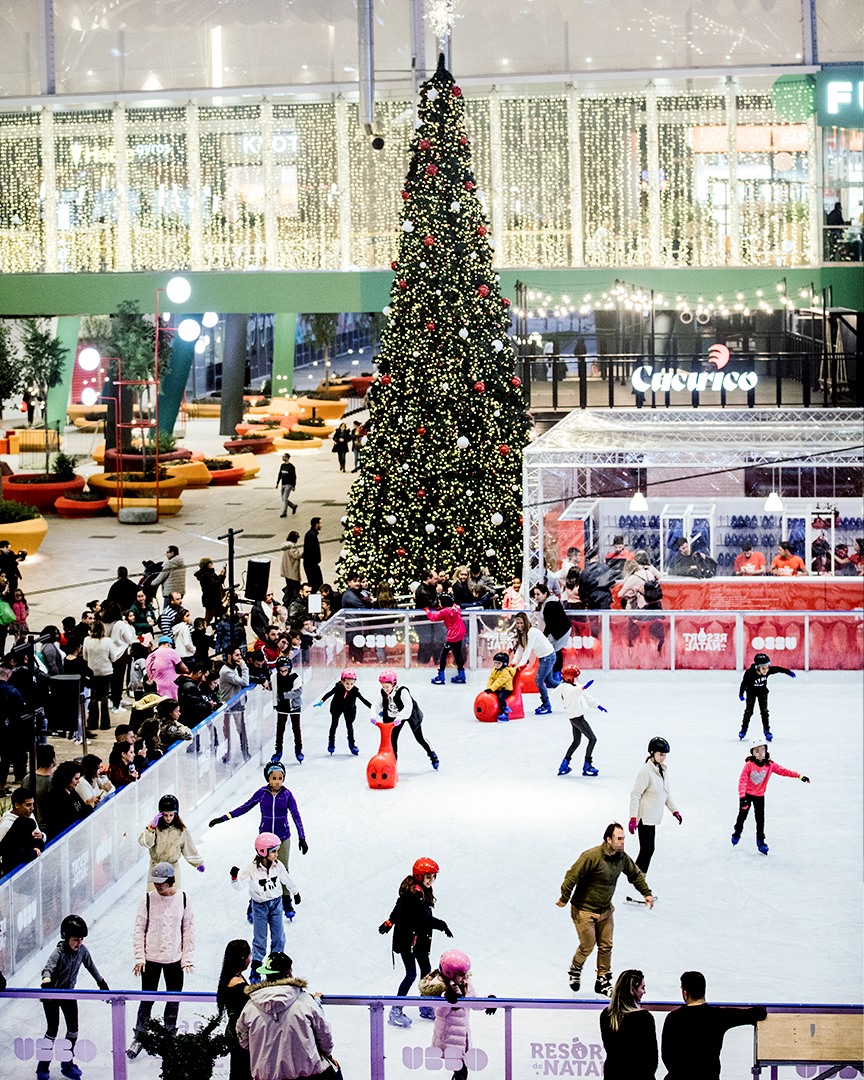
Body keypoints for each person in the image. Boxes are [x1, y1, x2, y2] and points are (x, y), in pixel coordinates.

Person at [556, 822, 654, 997]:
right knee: (587, 944)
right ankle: (575, 968)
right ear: (609, 840)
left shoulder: (622, 857)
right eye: (619, 838)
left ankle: (602, 980)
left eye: (624, 838)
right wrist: (564, 898)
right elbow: (572, 876)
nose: (623, 842)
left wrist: (646, 892)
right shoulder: (591, 856)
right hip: (584, 910)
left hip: (605, 910)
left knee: (606, 946)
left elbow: (635, 874)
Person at [209, 761, 308, 919]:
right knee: (259, 870)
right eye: (273, 778)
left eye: (280, 778)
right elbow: (244, 807)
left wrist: (302, 838)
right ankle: (253, 902)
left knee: (283, 869)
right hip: (264, 841)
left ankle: (286, 898)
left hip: (282, 838)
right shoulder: (262, 793)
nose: (277, 781)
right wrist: (222, 818)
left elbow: (296, 816)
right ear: (267, 778)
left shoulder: (287, 795)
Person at [127, 861, 195, 1059]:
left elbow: (188, 930)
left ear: (170, 880)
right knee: (147, 999)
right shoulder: (147, 900)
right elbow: (139, 929)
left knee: (173, 999)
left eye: (161, 881)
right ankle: (140, 1036)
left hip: (174, 959)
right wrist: (140, 957)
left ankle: (169, 1034)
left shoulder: (183, 899)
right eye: (155, 881)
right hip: (151, 960)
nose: (157, 885)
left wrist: (187, 958)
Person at [236, 950, 339, 1080]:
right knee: (334, 1070)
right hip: (305, 1075)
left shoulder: (251, 1005)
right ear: (289, 972)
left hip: (266, 1075)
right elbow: (324, 1035)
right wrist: (328, 1055)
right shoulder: (305, 1001)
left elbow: (243, 1039)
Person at [378, 856, 452, 1028]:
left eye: (434, 876)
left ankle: (425, 1005)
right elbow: (423, 918)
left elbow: (399, 908)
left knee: (426, 972)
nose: (431, 880)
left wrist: (389, 922)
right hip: (408, 941)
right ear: (419, 876)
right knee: (411, 974)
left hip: (418, 940)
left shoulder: (419, 891)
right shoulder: (414, 894)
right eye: (428, 876)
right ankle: (396, 1010)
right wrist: (443, 925)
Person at [38, 915, 109, 1080]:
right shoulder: (59, 953)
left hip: (69, 994)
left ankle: (67, 1063)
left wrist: (102, 982)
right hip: (52, 995)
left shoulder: (82, 951)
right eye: (76, 939)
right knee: (52, 1030)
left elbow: (91, 966)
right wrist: (46, 982)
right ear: (66, 937)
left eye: (81, 939)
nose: (79, 943)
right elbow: (47, 969)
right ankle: (42, 1067)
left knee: (73, 1030)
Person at [661, 970, 767, 1080]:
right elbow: (757, 1013)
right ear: (703, 991)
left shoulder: (673, 1018)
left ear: (685, 993)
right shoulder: (718, 1016)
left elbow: (667, 1057)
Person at [231, 833, 300, 983]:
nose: (277, 854)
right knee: (260, 939)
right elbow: (239, 886)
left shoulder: (278, 866)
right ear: (263, 851)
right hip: (260, 907)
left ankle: (276, 963)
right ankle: (256, 967)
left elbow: (286, 878)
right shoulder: (251, 869)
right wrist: (234, 878)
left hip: (276, 904)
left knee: (279, 936)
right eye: (274, 851)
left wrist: (295, 892)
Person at [419, 949, 497, 1080]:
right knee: (461, 1071)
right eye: (461, 974)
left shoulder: (466, 983)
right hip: (449, 1037)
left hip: (463, 1036)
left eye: (465, 973)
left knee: (460, 1072)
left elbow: (473, 1002)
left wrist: (488, 1001)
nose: (465, 977)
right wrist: (448, 1000)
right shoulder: (441, 987)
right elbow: (440, 1013)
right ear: (449, 973)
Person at [732, 736, 809, 854]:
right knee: (742, 816)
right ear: (752, 753)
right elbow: (742, 780)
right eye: (757, 750)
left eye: (762, 749)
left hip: (759, 796)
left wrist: (799, 776)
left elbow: (784, 771)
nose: (760, 753)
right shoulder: (749, 765)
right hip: (746, 795)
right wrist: (742, 797)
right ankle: (737, 832)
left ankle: (760, 841)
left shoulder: (770, 765)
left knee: (760, 819)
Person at [628, 737, 682, 872]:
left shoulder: (662, 769)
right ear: (652, 753)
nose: (663, 757)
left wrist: (674, 810)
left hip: (653, 818)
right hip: (644, 818)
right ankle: (637, 883)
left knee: (649, 850)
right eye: (661, 754)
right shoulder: (646, 771)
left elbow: (665, 793)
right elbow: (635, 794)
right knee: (646, 851)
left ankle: (638, 882)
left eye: (664, 755)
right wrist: (633, 818)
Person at [599, 968, 657, 1080]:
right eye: (642, 988)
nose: (644, 992)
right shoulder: (644, 1018)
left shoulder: (606, 1015)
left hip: (613, 1074)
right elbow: (651, 1059)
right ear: (632, 990)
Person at [139, 793, 205, 884]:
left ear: (176, 814)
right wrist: (151, 828)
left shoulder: (181, 830)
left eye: (171, 815)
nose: (168, 818)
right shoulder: (154, 826)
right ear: (161, 814)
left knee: (174, 896)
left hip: (173, 868)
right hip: (155, 867)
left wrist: (198, 863)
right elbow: (146, 843)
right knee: (152, 896)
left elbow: (188, 847)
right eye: (165, 815)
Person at [379, 670, 439, 769]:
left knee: (419, 738)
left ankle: (432, 754)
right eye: (383, 687)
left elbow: (408, 707)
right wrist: (376, 713)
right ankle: (393, 765)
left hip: (411, 714)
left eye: (387, 687)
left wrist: (399, 717)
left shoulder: (403, 691)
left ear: (393, 684)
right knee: (393, 739)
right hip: (397, 715)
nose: (385, 689)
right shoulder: (384, 691)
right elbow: (379, 703)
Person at [555, 665, 607, 777]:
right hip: (577, 718)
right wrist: (583, 687)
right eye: (575, 677)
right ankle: (587, 765)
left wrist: (598, 706)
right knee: (592, 739)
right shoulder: (566, 689)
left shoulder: (574, 686)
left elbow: (586, 696)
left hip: (575, 717)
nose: (577, 679)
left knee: (576, 742)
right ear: (569, 678)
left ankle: (564, 764)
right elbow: (574, 692)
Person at [738, 651, 795, 741]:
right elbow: (743, 683)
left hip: (762, 693)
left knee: (764, 712)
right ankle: (743, 729)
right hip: (751, 693)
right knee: (749, 711)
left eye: (767, 668)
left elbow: (778, 669)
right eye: (763, 668)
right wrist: (741, 694)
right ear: (757, 667)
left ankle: (767, 730)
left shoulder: (768, 670)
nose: (766, 670)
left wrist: (788, 672)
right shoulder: (749, 673)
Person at [217, 938, 252, 1080]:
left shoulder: (233, 976)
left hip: (237, 1030)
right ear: (242, 958)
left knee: (238, 1069)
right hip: (240, 1032)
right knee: (241, 1071)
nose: (251, 959)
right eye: (249, 955)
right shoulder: (237, 984)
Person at [315, 668, 371, 756]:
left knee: (349, 726)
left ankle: (352, 744)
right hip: (337, 707)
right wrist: (321, 701)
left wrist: (374, 709)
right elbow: (329, 693)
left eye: (351, 684)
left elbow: (364, 700)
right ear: (342, 681)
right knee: (334, 724)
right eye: (347, 683)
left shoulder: (355, 691)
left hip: (349, 709)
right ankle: (331, 742)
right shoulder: (338, 688)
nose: (349, 686)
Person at [511, 611, 556, 715]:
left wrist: (521, 663)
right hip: (544, 656)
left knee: (539, 681)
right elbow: (520, 649)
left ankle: (546, 705)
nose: (519, 625)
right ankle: (569, 690)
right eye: (517, 623)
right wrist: (514, 661)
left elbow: (528, 649)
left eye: (521, 623)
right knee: (549, 680)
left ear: (526, 622)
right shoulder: (522, 634)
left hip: (548, 656)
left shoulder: (531, 632)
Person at [0, 786, 45, 876]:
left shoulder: (29, 816)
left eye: (32, 804)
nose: (32, 808)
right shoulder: (6, 825)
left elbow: (39, 838)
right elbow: (4, 851)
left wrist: (42, 837)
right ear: (17, 805)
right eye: (28, 805)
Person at [531, 581, 572, 676]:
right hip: (558, 630)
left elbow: (550, 625)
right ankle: (554, 673)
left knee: (554, 651)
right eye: (535, 594)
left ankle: (556, 673)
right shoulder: (547, 603)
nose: (536, 597)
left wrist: (543, 637)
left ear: (545, 594)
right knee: (553, 650)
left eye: (538, 594)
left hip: (561, 631)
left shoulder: (550, 605)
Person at [45, 761, 92, 840]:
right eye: (76, 779)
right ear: (67, 778)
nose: (78, 781)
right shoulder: (57, 796)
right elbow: (70, 817)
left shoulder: (72, 791)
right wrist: (89, 807)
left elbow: (81, 808)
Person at [426, 596, 468, 685]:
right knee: (457, 653)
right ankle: (461, 674)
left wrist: (427, 610)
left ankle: (441, 676)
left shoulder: (444, 611)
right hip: (460, 633)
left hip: (453, 635)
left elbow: (433, 618)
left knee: (443, 654)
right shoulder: (455, 607)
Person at [220, 646, 250, 761]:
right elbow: (245, 682)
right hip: (229, 706)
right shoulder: (226, 671)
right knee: (228, 732)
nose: (240, 658)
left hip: (237, 704)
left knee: (241, 729)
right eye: (237, 655)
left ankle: (245, 752)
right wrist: (244, 666)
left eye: (240, 655)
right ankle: (228, 754)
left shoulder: (233, 668)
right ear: (229, 656)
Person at [82, 619, 113, 730]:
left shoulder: (87, 640)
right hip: (106, 671)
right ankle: (105, 723)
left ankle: (93, 723)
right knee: (105, 696)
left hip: (92, 671)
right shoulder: (108, 641)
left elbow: (85, 656)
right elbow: (113, 657)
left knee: (93, 697)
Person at [274, 656, 303, 763]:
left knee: (296, 728)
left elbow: (298, 692)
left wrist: (284, 695)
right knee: (280, 729)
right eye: (281, 671)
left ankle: (299, 750)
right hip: (282, 707)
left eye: (285, 671)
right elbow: (273, 688)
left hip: (294, 706)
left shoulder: (295, 677)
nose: (283, 673)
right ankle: (278, 751)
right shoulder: (275, 677)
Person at [21, 743, 56, 824]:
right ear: (53, 759)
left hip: (28, 821)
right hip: (45, 824)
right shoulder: (52, 782)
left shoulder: (27, 778)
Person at [146, 635, 188, 700]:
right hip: (169, 688)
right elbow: (185, 669)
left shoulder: (150, 656)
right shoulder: (170, 651)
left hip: (154, 688)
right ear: (168, 644)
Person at [195, 558, 226, 623]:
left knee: (215, 615)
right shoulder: (205, 575)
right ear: (207, 565)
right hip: (210, 600)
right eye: (210, 563)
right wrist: (221, 575)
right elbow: (215, 584)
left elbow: (219, 581)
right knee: (209, 617)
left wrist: (222, 575)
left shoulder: (210, 573)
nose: (212, 564)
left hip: (214, 598)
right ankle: (201, 626)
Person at [485, 652, 514, 721]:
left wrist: (492, 689)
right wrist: (488, 688)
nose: (496, 665)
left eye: (499, 663)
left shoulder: (505, 672)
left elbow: (499, 682)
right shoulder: (494, 670)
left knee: (501, 697)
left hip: (506, 689)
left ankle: (505, 712)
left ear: (504, 664)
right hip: (499, 688)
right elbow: (491, 679)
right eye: (495, 662)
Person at [280, 531, 302, 602]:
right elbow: (296, 556)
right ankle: (293, 600)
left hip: (287, 571)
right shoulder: (292, 547)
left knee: (289, 586)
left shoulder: (286, 546)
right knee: (296, 587)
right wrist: (304, 554)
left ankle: (288, 599)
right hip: (292, 570)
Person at [303, 518, 323, 592]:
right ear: (316, 524)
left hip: (311, 563)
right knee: (316, 584)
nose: (321, 525)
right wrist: (316, 561)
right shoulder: (312, 535)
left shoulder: (311, 534)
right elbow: (312, 550)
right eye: (320, 523)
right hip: (311, 564)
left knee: (316, 583)